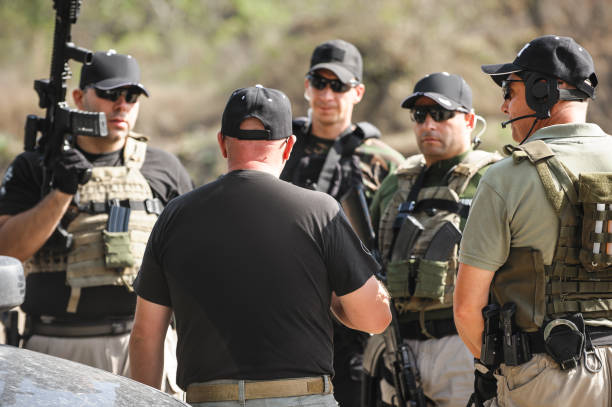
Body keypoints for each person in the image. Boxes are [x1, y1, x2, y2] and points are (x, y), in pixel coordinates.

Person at [129, 85, 392, 407]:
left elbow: (145, 334)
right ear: (288, 146)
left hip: (208, 400)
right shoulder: (320, 212)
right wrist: (336, 302)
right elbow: (374, 319)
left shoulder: (175, 215)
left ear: (222, 143)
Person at [0, 50, 192, 395]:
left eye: (132, 96)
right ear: (78, 97)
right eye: (109, 93)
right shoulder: (36, 166)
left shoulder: (164, 168)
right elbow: (6, 250)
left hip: (146, 348)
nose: (122, 104)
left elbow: (194, 261)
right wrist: (60, 193)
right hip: (58, 349)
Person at [454, 35, 612, 406]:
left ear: (543, 91)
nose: (504, 105)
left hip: (549, 376)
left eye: (510, 90)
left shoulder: (506, 177)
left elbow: (466, 309)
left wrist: (505, 369)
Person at [363, 72, 501, 407]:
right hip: (400, 343)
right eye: (419, 115)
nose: (428, 125)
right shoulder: (396, 183)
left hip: (463, 346)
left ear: (469, 120)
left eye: (440, 114)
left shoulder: (492, 177)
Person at [280, 39, 404, 406]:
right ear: (307, 86)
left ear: (358, 92)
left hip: (354, 329)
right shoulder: (282, 150)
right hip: (285, 320)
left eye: (339, 85)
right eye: (320, 83)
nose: (327, 94)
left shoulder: (382, 162)